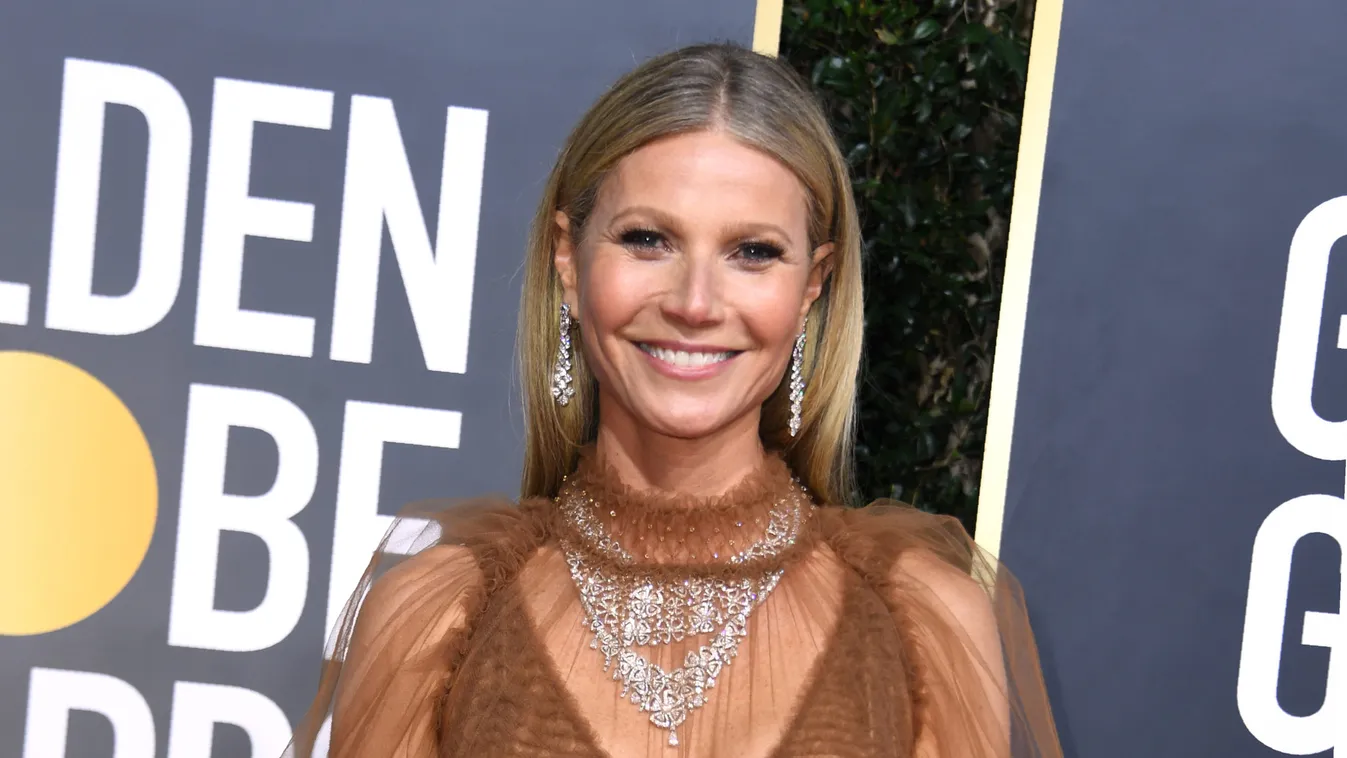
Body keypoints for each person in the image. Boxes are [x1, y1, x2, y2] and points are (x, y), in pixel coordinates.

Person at [287, 42, 1062, 758]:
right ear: (567, 259)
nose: (695, 302)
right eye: (647, 240)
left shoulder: (922, 619)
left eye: (752, 253)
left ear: (812, 289)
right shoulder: (435, 612)